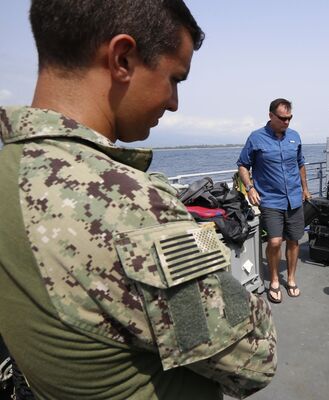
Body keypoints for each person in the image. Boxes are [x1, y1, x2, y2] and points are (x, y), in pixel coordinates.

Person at [0, 1, 277, 399]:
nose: (174, 102)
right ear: (122, 58)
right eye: (174, 79)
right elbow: (257, 359)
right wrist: (201, 240)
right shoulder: (133, 207)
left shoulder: (12, 166)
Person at [237, 98, 311, 304]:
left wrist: (305, 189)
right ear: (271, 116)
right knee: (275, 241)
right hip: (270, 199)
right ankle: (275, 280)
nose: (287, 122)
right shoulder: (256, 138)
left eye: (289, 118)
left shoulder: (294, 137)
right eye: (282, 118)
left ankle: (292, 278)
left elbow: (300, 164)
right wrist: (250, 187)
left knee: (295, 240)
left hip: (294, 198)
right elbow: (243, 165)